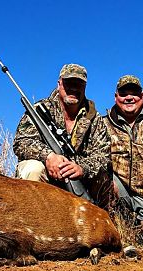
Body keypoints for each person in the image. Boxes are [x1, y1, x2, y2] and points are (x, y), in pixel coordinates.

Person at [13, 63, 113, 208]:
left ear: (84, 87)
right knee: (33, 169)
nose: (73, 88)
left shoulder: (94, 118)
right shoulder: (40, 110)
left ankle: (108, 223)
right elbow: (21, 142)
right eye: (68, 83)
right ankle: (31, 221)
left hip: (80, 179)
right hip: (48, 173)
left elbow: (103, 156)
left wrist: (82, 168)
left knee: (107, 181)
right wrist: (48, 156)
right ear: (59, 84)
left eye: (78, 84)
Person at [104, 75, 143, 241]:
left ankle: (141, 229)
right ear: (116, 97)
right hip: (119, 196)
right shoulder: (103, 124)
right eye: (123, 94)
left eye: (134, 93)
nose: (128, 97)